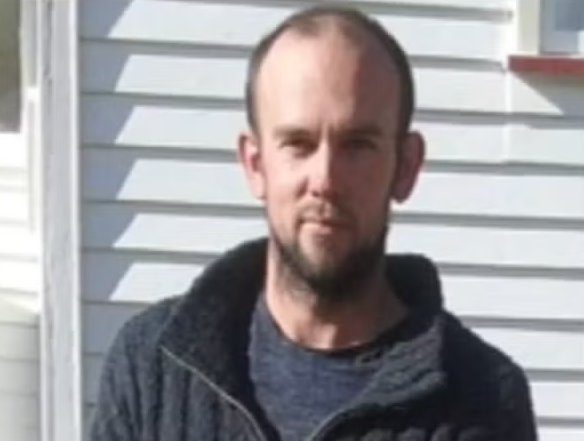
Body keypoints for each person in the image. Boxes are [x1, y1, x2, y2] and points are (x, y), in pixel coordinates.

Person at [90, 6, 537, 441]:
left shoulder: (483, 401)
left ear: (405, 166)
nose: (325, 180)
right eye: (298, 144)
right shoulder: (152, 370)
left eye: (357, 145)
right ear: (255, 165)